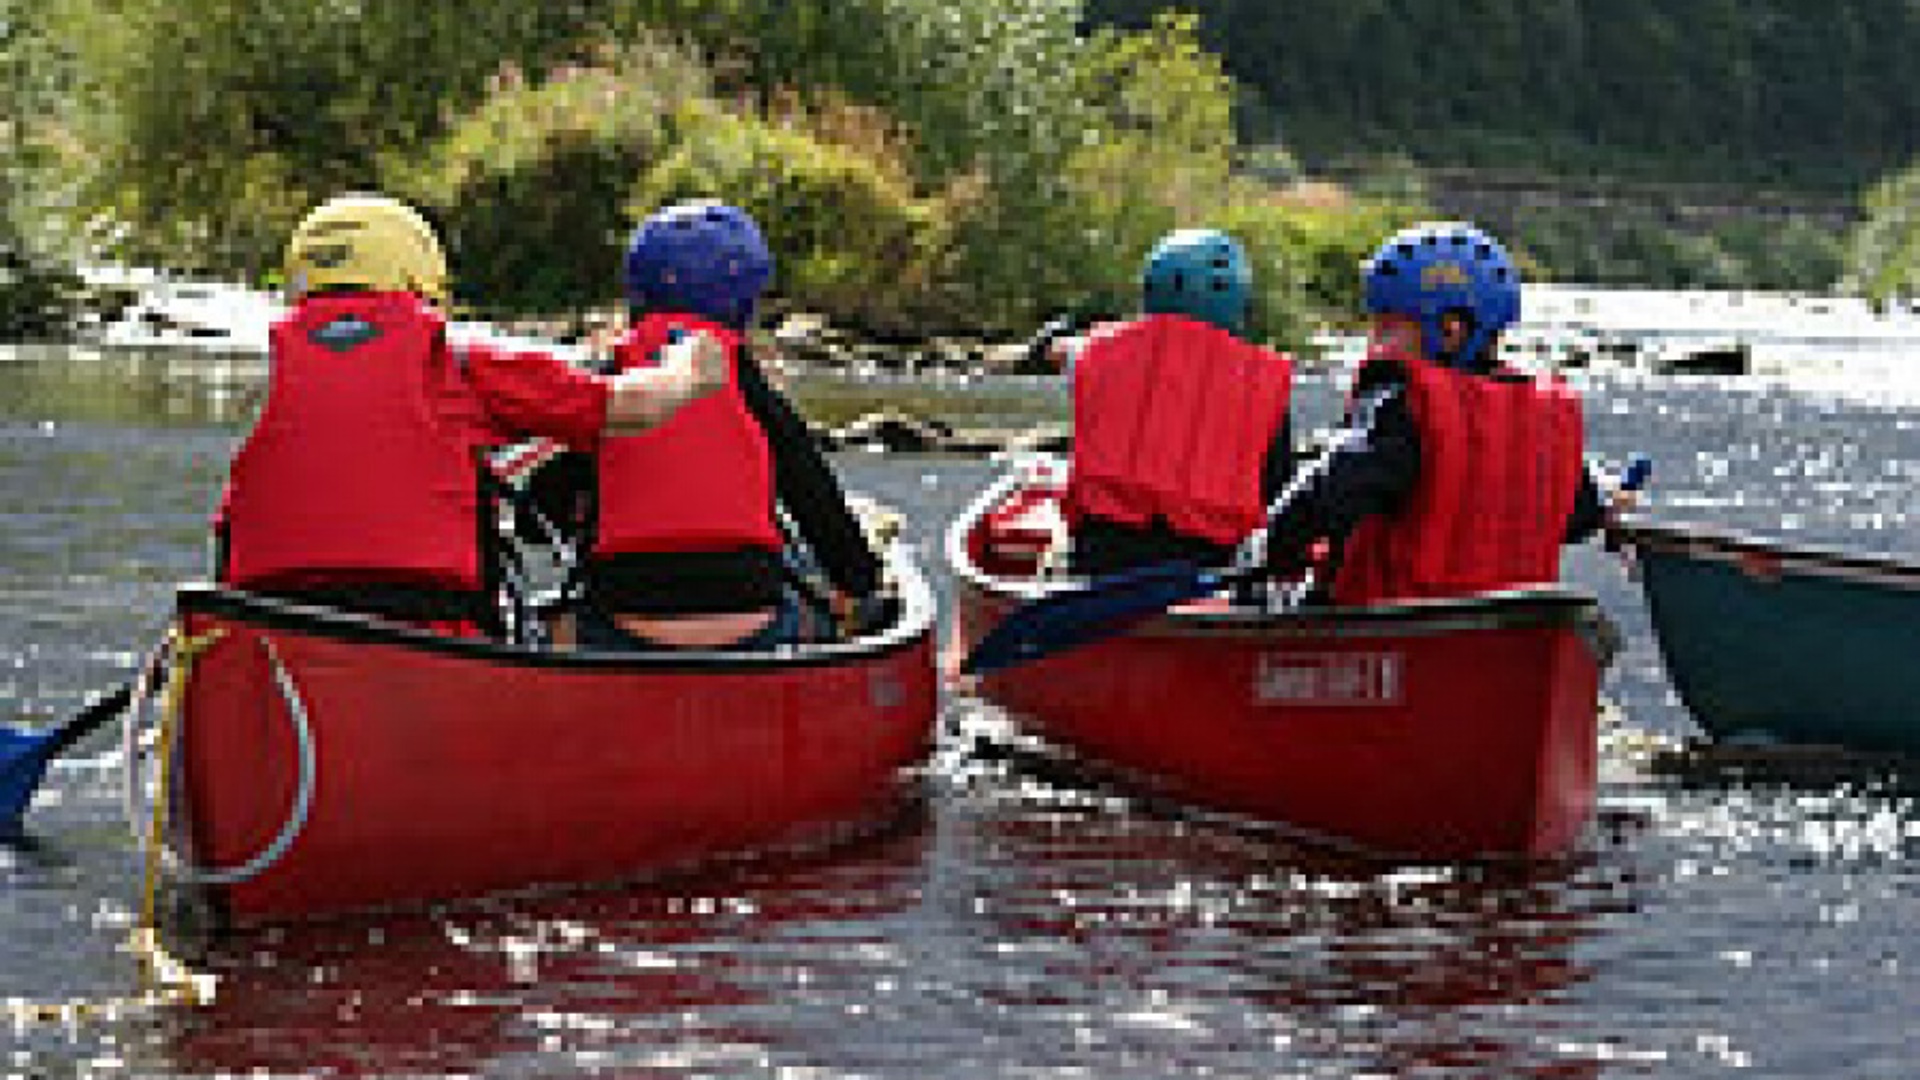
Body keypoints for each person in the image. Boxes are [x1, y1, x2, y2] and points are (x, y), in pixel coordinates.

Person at [215, 193, 729, 636]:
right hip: (425, 629)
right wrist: (688, 372)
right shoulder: (461, 360)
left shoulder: (264, 374)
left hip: (265, 631)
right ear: (419, 270)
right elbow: (625, 406)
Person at [532, 200, 888, 652]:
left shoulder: (613, 385)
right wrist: (860, 584)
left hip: (623, 621)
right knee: (826, 611)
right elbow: (814, 497)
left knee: (553, 626)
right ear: (743, 302)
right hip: (752, 621)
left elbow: (539, 508)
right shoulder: (750, 387)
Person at [1239, 221, 1617, 605]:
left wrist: (1269, 546)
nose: (1376, 344)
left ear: (1451, 333)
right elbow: (1580, 517)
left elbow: (1329, 493)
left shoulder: (1404, 406)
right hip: (1508, 627)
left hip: (1392, 619)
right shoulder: (1545, 419)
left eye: (1389, 329)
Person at [1041, 229, 1296, 577]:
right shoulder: (1263, 378)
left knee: (1058, 552)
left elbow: (1058, 351)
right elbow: (1280, 492)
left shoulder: (1095, 352)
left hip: (1102, 557)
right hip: (1212, 567)